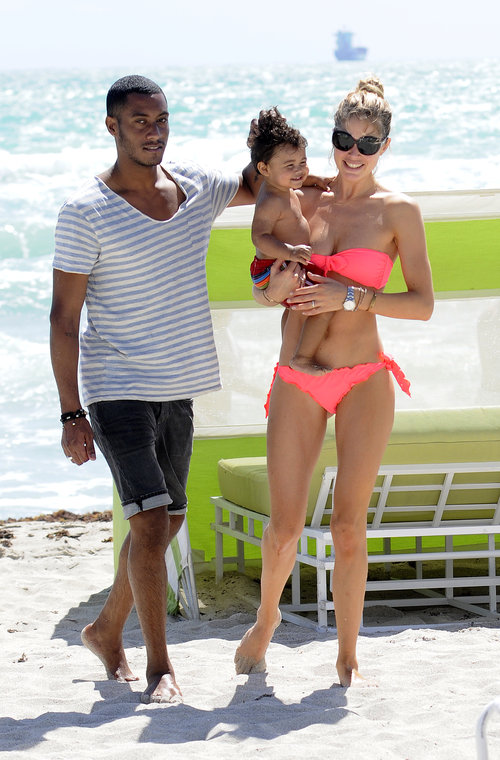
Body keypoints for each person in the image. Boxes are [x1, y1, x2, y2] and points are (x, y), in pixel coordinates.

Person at [49, 74, 262, 704]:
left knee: (167, 521)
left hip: (179, 384)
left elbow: (259, 184)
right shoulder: (85, 211)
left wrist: (315, 168)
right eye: (140, 120)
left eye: (161, 119)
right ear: (111, 126)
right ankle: (158, 668)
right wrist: (71, 413)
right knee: (146, 523)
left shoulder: (195, 187)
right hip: (116, 386)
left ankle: (104, 630)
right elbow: (64, 319)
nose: (154, 131)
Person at [235, 76, 434, 686]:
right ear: (332, 138)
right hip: (297, 376)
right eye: (344, 139)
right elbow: (263, 277)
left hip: (363, 376)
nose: (353, 152)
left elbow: (423, 304)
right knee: (284, 527)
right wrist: (269, 288)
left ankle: (348, 655)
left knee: (349, 527)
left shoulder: (398, 211)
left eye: (367, 144)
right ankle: (266, 619)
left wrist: (351, 296)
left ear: (385, 146)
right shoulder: (303, 197)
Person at [248, 107, 333, 374]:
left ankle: (291, 348)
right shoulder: (271, 200)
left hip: (284, 263)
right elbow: (259, 237)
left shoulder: (280, 185)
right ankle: (302, 357)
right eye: (290, 166)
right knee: (323, 303)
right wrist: (290, 252)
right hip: (273, 267)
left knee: (297, 308)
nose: (299, 171)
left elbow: (297, 177)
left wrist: (315, 179)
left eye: (303, 163)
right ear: (264, 168)